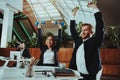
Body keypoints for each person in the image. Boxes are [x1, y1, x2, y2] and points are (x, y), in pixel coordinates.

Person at [69, 2, 104, 80]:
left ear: (91, 32)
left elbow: (100, 26)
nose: (83, 32)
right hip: (78, 73)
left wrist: (95, 9)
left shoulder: (95, 41)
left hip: (91, 75)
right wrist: (73, 15)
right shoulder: (78, 40)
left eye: (86, 30)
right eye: (82, 30)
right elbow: (72, 30)